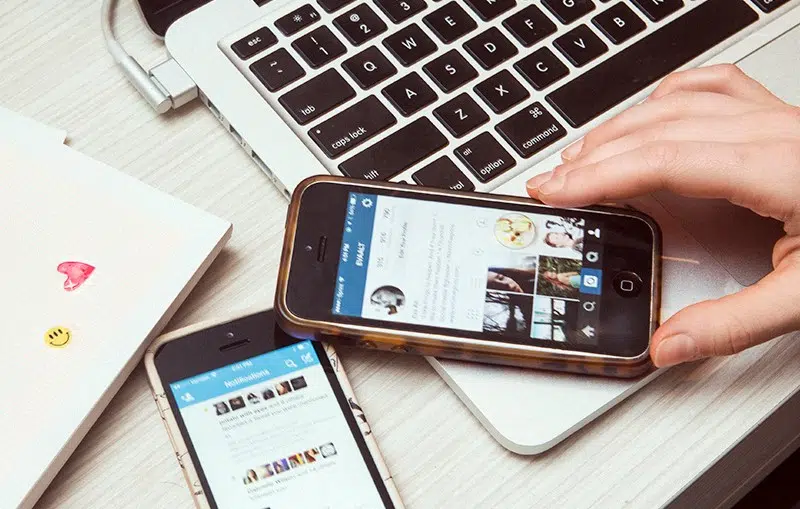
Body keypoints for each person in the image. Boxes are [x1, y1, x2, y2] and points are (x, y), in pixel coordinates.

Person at [526, 64, 800, 368]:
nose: (557, 238)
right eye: (554, 239)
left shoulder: (575, 246)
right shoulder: (569, 268)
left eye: (554, 236)